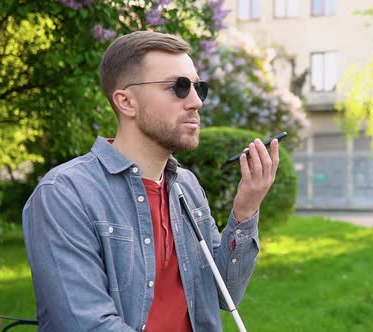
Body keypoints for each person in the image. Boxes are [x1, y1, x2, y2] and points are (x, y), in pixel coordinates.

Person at [22, 31, 280, 331]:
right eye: (179, 87)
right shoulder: (65, 194)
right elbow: (88, 324)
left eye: (199, 88)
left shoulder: (186, 185)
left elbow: (225, 293)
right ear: (126, 102)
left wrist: (246, 210)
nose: (196, 101)